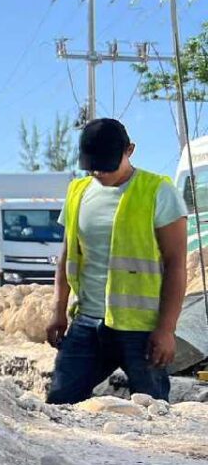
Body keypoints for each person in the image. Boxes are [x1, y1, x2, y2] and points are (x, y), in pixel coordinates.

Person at [46, 119, 187, 404]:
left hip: (141, 330)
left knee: (152, 409)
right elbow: (66, 258)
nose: (99, 172)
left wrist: (167, 329)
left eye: (107, 164)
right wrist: (58, 310)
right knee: (60, 403)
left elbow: (176, 264)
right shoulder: (77, 192)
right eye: (92, 166)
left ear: (130, 150)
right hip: (87, 323)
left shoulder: (157, 191)